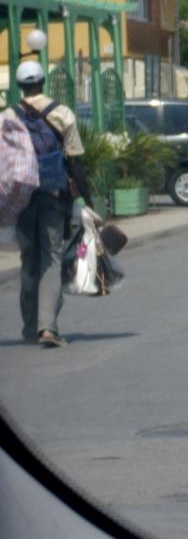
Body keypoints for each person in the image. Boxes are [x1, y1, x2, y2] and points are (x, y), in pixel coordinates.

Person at [4, 61, 93, 348]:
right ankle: (48, 328)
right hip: (54, 194)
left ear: (20, 86)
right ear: (43, 82)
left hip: (21, 198)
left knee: (28, 259)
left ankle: (31, 328)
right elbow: (75, 162)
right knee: (52, 258)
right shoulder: (62, 113)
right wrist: (88, 200)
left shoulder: (7, 116)